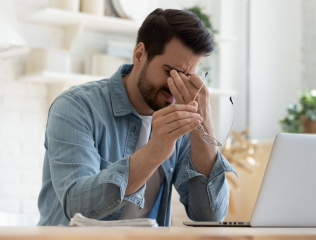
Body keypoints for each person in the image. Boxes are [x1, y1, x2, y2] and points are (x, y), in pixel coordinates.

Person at [37, 8, 237, 226]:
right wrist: (154, 151)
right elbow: (77, 207)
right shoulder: (76, 107)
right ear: (139, 54)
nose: (175, 86)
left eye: (187, 77)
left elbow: (210, 217)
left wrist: (204, 126)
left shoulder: (184, 120)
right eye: (170, 71)